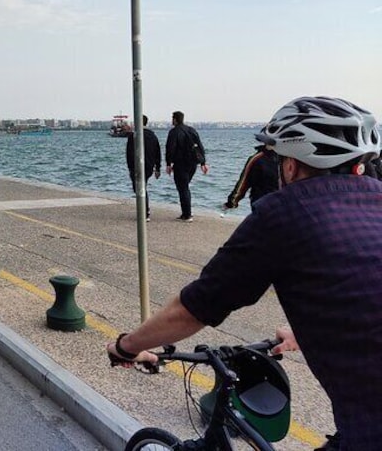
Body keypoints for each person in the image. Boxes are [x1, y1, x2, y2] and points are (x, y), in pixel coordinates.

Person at [107, 96, 382, 451]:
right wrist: (307, 329)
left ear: (291, 166)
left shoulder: (285, 213)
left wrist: (125, 346)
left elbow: (193, 309)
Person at [165, 111, 208, 222]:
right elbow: (200, 146)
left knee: (183, 188)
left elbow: (170, 148)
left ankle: (187, 215)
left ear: (175, 119)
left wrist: (168, 164)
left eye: (172, 118)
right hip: (193, 163)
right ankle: (186, 212)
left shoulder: (174, 132)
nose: (172, 120)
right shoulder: (192, 130)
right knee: (184, 187)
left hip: (180, 164)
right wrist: (203, 162)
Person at [125, 115, 161, 221]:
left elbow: (129, 153)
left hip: (136, 166)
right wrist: (158, 167)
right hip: (149, 166)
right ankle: (145, 211)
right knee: (142, 186)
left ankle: (145, 212)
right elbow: (157, 152)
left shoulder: (134, 136)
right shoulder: (153, 136)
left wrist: (130, 167)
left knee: (139, 188)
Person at [223, 142, 279, 210]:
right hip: (266, 203)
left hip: (264, 202)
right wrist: (231, 202)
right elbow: (244, 183)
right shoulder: (257, 159)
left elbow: (243, 183)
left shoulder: (257, 158)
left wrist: (232, 203)